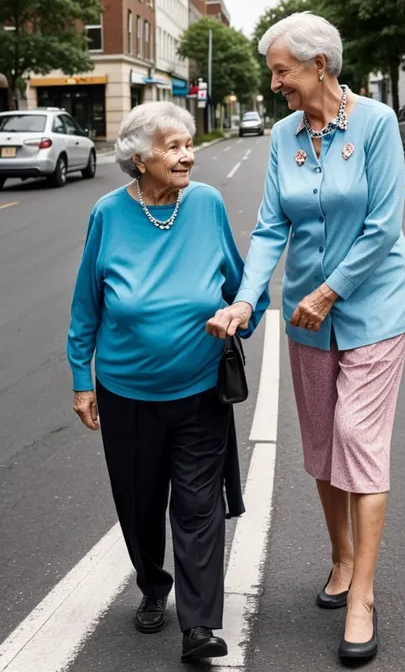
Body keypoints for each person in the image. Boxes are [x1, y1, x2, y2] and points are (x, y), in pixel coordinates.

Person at [206, 13, 405, 662]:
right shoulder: (283, 135)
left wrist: (330, 291)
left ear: (320, 65)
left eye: (282, 71)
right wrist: (246, 301)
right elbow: (272, 227)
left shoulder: (377, 123)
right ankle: (341, 556)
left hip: (375, 306)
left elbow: (382, 225)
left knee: (358, 437)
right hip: (305, 318)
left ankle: (363, 595)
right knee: (325, 444)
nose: (275, 84)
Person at [67, 102, 268, 662]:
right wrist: (82, 377)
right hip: (127, 392)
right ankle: (153, 585)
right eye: (174, 147)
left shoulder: (205, 204)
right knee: (138, 501)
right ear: (138, 159)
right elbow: (87, 304)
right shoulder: (108, 214)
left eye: (189, 144)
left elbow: (243, 285)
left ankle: (199, 625)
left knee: (198, 504)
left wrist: (241, 309)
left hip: (201, 388)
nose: (188, 155)